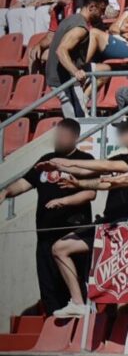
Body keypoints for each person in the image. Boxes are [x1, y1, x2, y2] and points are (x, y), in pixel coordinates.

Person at [1, 119, 94, 317]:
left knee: (72, 283)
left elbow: (89, 193)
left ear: (75, 137)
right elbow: (25, 183)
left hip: (71, 233)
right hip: (44, 235)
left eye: (63, 135)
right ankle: (53, 326)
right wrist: (7, 191)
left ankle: (77, 327)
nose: (58, 139)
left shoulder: (84, 159)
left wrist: (65, 201)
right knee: (49, 287)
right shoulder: (46, 159)